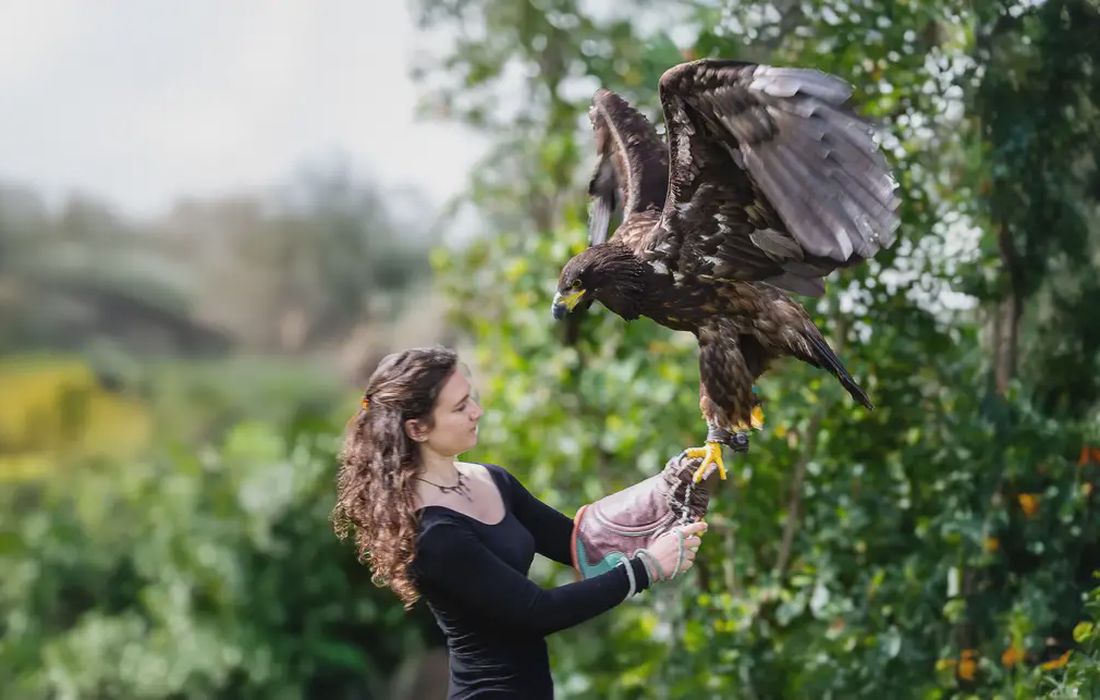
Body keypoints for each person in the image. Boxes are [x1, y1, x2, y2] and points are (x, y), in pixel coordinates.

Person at [332, 346, 708, 699]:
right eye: (460, 407)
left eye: (471, 399)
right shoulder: (433, 535)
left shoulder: (491, 480)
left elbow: (578, 543)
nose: (477, 411)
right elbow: (537, 611)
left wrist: (663, 492)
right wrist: (648, 567)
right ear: (418, 429)